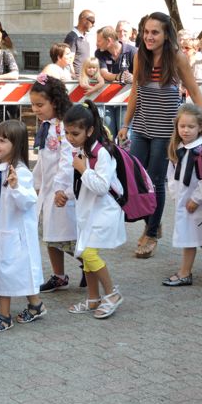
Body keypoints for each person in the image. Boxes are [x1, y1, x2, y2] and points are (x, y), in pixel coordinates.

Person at [118, 12, 202, 259]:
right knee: (137, 177)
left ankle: (150, 233)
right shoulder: (140, 57)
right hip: (142, 126)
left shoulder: (177, 58)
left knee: (155, 179)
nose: (149, 36)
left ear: (166, 34)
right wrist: (126, 124)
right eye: (146, 32)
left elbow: (194, 90)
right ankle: (153, 221)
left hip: (166, 130)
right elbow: (135, 93)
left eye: (155, 32)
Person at [63, 101, 125, 319]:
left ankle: (112, 294)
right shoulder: (83, 150)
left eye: (75, 133)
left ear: (89, 130)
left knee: (89, 253)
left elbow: (101, 187)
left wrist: (82, 169)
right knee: (85, 253)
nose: (70, 138)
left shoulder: (101, 153)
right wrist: (67, 194)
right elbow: (83, 187)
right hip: (89, 211)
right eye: (67, 132)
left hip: (105, 211)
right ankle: (92, 298)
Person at [0, 120, 44, 332]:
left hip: (15, 232)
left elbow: (28, 201)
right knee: (12, 270)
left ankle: (4, 316)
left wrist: (16, 186)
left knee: (6, 271)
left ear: (16, 145)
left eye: (3, 140)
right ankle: (36, 305)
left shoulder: (21, 172)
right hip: (0, 229)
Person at [30, 75, 81, 293]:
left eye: (40, 105)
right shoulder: (46, 126)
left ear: (55, 102)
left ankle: (90, 266)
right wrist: (37, 183)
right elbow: (43, 159)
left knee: (67, 237)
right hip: (48, 190)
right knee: (49, 235)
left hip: (62, 191)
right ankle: (59, 275)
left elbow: (68, 160)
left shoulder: (63, 128)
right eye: (32, 105)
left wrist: (63, 189)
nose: (35, 109)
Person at [162, 104, 202, 286]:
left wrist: (196, 199)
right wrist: (175, 195)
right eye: (182, 126)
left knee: (189, 236)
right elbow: (171, 175)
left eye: (191, 127)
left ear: (200, 128)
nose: (186, 130)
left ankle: (185, 273)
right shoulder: (177, 148)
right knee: (196, 235)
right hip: (182, 201)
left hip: (197, 203)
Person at [95, 25, 137, 136]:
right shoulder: (99, 53)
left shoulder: (132, 52)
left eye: (99, 41)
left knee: (126, 136)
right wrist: (119, 77)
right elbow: (104, 73)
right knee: (108, 134)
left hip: (127, 102)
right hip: (107, 101)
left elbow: (141, 74)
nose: (97, 44)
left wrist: (133, 78)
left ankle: (124, 153)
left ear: (108, 41)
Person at [64, 10, 95, 78]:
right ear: (83, 19)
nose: (93, 25)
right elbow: (68, 61)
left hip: (85, 78)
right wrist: (74, 77)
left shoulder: (85, 37)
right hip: (77, 81)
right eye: (92, 21)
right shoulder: (72, 37)